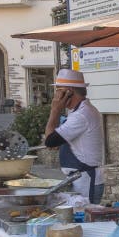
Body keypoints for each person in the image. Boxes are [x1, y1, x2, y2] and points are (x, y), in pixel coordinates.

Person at [44, 69, 105, 204]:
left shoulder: (81, 115)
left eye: (59, 90)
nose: (56, 96)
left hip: (86, 180)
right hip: (79, 178)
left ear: (69, 92)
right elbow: (57, 139)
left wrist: (55, 110)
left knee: (84, 220)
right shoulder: (78, 111)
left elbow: (50, 141)